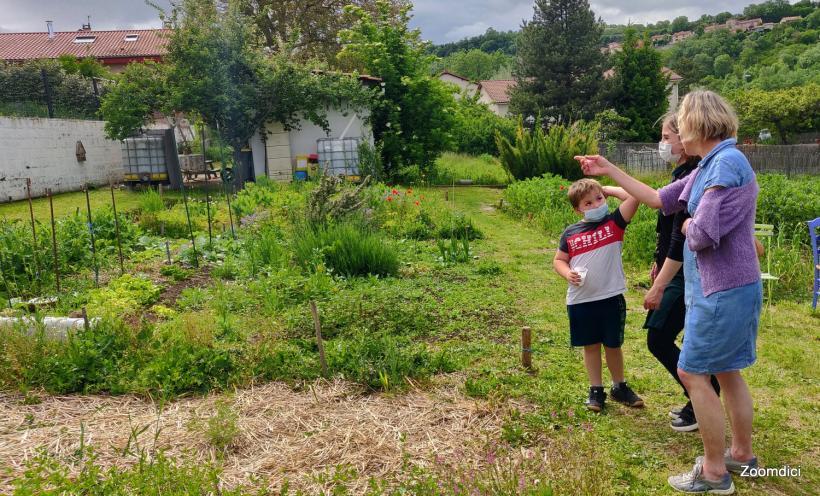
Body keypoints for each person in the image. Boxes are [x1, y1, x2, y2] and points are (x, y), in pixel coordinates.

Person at [576, 90, 761, 495]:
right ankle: (742, 456)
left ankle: (714, 473)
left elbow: (703, 233)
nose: (675, 131)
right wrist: (609, 170)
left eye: (680, 121)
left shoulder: (724, 165)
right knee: (727, 371)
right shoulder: (715, 162)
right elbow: (661, 199)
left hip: (722, 290)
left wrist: (687, 226)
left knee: (692, 371)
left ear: (697, 123)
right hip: (727, 286)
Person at [644, 111, 720, 433]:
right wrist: (657, 260)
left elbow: (681, 239)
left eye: (666, 137)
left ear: (685, 139)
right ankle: (702, 395)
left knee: (659, 337)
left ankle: (702, 396)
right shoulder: (683, 173)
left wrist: (661, 283)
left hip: (684, 275)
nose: (663, 144)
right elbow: (667, 230)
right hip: (672, 271)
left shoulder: (695, 175)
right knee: (680, 340)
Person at [553, 178, 644, 412]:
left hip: (611, 297)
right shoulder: (570, 233)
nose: (595, 205)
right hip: (581, 300)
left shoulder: (614, 223)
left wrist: (608, 190)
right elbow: (559, 260)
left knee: (613, 344)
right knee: (591, 346)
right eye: (588, 203)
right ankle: (596, 389)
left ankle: (619, 386)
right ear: (577, 209)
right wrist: (567, 273)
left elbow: (635, 196)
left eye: (599, 199)